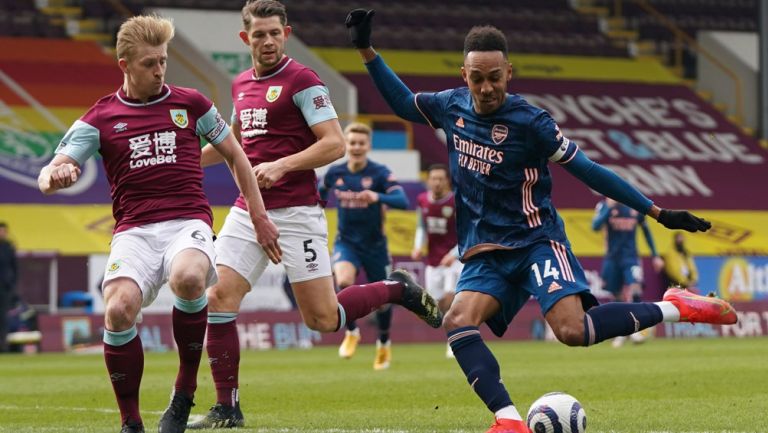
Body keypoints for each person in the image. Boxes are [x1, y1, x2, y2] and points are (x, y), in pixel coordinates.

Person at [345, 12, 738, 433]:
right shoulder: (451, 106)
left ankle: (674, 307)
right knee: (457, 321)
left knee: (572, 331)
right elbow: (404, 104)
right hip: (485, 251)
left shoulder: (532, 123)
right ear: (464, 74)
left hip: (537, 241)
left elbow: (588, 169)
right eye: (477, 78)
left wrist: (656, 211)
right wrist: (367, 50)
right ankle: (508, 420)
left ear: (509, 73)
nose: (486, 87)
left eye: (495, 77)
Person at [188, 1, 442, 429]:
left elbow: (334, 144)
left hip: (298, 212)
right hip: (249, 209)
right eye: (259, 34)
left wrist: (283, 164)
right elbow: (235, 142)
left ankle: (397, 291)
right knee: (217, 298)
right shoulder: (240, 84)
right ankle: (227, 408)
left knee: (323, 320)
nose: (267, 41)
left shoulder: (303, 80)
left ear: (286, 34)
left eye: (274, 33)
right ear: (244, 38)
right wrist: (187, 160)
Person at [37, 14, 281, 433]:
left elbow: (237, 155)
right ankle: (131, 422)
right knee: (118, 310)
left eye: (163, 60)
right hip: (134, 231)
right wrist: (55, 176)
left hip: (187, 221)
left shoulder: (192, 104)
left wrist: (259, 217)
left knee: (189, 278)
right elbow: (50, 171)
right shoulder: (100, 118)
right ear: (125, 65)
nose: (160, 70)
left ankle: (184, 388)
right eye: (150, 63)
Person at [321, 122, 409, 370]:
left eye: (361, 143)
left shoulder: (380, 173)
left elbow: (402, 200)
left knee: (382, 302)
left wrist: (378, 197)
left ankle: (383, 344)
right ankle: (352, 332)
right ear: (346, 144)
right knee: (345, 280)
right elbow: (317, 193)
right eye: (352, 143)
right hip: (346, 241)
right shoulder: (335, 172)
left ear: (368, 145)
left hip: (375, 246)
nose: (356, 147)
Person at [591, 197, 664, 347]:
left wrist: (655, 255)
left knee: (635, 286)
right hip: (612, 258)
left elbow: (646, 232)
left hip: (631, 257)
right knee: (615, 294)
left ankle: (638, 329)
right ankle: (621, 331)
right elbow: (595, 226)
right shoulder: (603, 206)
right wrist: (609, 207)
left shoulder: (635, 207)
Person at [411, 164, 462, 358]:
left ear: (447, 181)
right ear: (428, 180)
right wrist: (418, 246)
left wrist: (454, 254)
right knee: (437, 305)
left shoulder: (455, 201)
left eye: (441, 179)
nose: (437, 182)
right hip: (433, 262)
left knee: (450, 299)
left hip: (453, 260)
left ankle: (453, 341)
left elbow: (466, 232)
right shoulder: (422, 200)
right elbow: (421, 227)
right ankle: (457, 331)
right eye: (434, 178)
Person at [0, 222, 18, 354]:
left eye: (3, 231)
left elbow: (15, 268)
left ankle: (2, 344)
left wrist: (12, 285)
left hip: (4, 287)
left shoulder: (8, 247)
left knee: (3, 317)